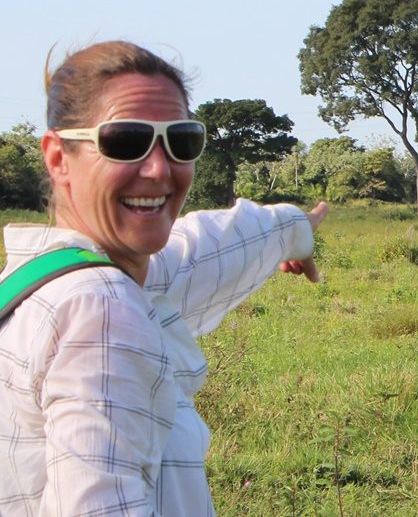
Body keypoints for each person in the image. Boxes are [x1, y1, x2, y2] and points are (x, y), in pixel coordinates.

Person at [0, 40, 328, 515]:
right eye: (125, 142)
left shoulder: (45, 279)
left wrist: (296, 229)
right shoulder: (102, 308)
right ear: (57, 157)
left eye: (181, 141)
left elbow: (207, 246)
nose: (158, 169)